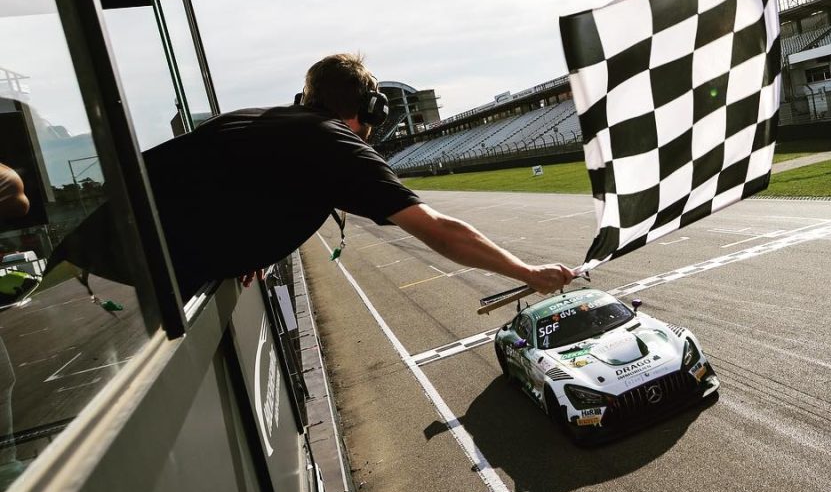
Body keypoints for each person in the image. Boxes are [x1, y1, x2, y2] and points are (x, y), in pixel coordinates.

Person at [54, 54, 576, 301]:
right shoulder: (332, 142)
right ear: (368, 111)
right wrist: (527, 272)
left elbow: (217, 191)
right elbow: (436, 228)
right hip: (109, 297)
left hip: (83, 270)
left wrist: (243, 248)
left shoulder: (256, 120)